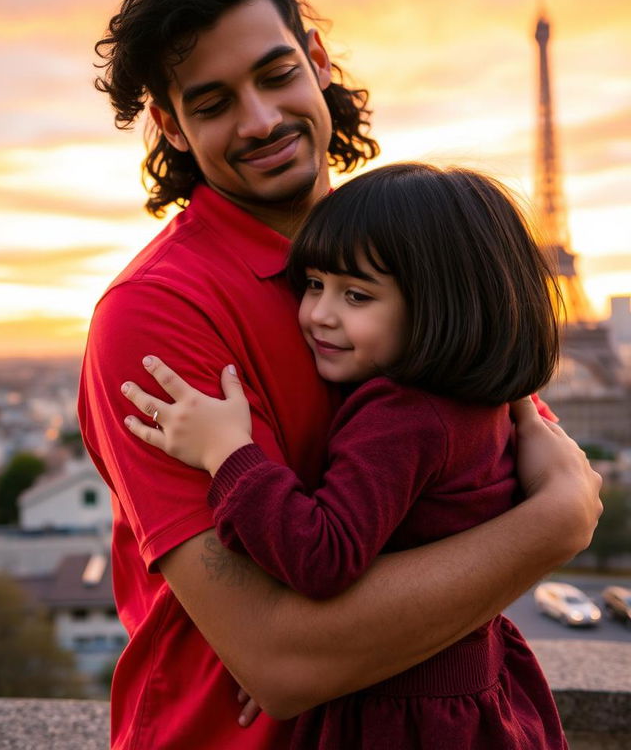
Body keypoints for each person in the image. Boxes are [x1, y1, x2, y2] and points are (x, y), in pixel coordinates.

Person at [78, 0, 602, 750]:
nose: (259, 121)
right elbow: (284, 662)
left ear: (316, 60)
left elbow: (502, 443)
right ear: (169, 126)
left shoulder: (405, 245)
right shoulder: (154, 315)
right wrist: (558, 525)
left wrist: (555, 498)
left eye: (276, 73)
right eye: (212, 103)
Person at [122, 162, 570, 749]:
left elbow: (321, 555)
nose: (318, 314)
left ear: (442, 303)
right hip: (460, 687)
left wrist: (228, 453)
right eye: (312, 284)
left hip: (404, 717)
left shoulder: (401, 417)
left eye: (356, 295)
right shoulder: (477, 404)